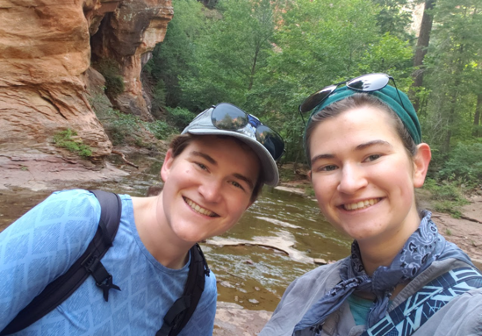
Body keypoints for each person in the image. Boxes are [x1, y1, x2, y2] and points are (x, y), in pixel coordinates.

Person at [0, 102, 284, 335]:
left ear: (249, 203)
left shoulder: (199, 293)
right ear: (169, 163)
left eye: (236, 184)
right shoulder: (75, 218)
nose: (210, 193)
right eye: (201, 165)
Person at [260, 73, 482, 336]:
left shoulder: (470, 315)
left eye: (372, 156)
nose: (350, 183)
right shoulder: (305, 290)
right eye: (328, 166)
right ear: (312, 181)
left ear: (418, 165)